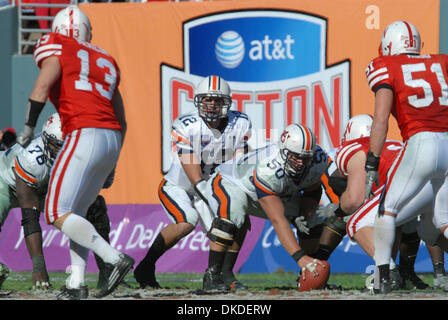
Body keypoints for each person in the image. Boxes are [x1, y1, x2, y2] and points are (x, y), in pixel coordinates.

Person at [16, 5, 133, 300]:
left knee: (56, 211)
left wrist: (29, 127)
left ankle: (114, 257)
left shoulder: (55, 46)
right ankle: (76, 283)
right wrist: (114, 159)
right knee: (77, 212)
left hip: (83, 131)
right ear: (87, 32)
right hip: (112, 136)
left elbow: (43, 84)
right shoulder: (105, 58)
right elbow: (122, 117)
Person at [134, 75, 252, 291]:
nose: (212, 105)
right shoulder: (186, 125)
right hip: (180, 186)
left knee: (239, 219)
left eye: (217, 100)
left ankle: (224, 274)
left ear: (226, 103)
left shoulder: (240, 123)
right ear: (199, 101)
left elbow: (239, 168)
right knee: (187, 221)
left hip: (210, 187)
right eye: (207, 99)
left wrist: (237, 204)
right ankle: (146, 266)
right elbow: (195, 176)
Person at [364, 20, 448, 294]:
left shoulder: (386, 65)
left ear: (389, 44)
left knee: (386, 210)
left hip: (421, 142)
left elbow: (380, 120)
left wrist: (372, 163)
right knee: (444, 220)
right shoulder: (443, 62)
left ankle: (382, 279)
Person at [199, 123, 329, 291]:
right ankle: (213, 275)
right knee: (232, 216)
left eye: (306, 157)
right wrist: (300, 257)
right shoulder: (269, 167)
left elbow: (313, 189)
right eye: (295, 156)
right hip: (231, 181)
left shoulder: (318, 159)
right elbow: (277, 219)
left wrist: (303, 215)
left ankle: (310, 274)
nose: (301, 162)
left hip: (268, 191)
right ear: (283, 150)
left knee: (313, 220)